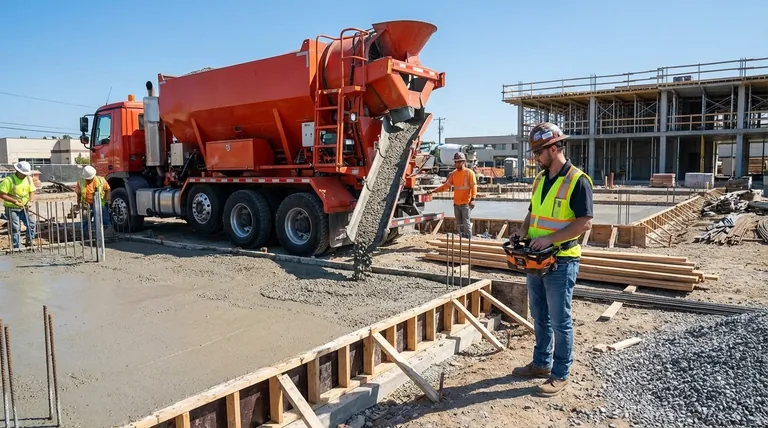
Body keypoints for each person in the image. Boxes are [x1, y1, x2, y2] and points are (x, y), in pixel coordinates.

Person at [511, 122, 593, 397]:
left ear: (555, 147)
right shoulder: (540, 179)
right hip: (536, 260)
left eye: (538, 152)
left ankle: (560, 374)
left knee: (560, 320)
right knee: (539, 315)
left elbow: (584, 223)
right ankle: (541, 363)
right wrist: (522, 232)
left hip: (561, 260)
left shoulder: (578, 180)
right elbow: (533, 213)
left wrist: (549, 239)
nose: (535, 158)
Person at [428, 152, 477, 238]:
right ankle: (462, 239)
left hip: (466, 203)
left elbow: (474, 187)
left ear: (463, 162)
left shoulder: (469, 173)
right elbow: (446, 186)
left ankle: (469, 240)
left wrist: (473, 199)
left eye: (458, 162)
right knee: (459, 224)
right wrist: (434, 191)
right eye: (455, 162)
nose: (456, 164)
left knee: (466, 223)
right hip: (456, 203)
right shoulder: (454, 174)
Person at [0, 161, 37, 249]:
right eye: (23, 173)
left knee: (31, 224)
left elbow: (32, 191)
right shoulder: (8, 180)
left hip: (25, 207)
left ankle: (29, 243)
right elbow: (2, 194)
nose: (24, 175)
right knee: (15, 227)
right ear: (18, 171)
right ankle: (17, 247)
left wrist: (31, 201)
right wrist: (14, 201)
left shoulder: (28, 179)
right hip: (12, 208)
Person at [75, 165, 115, 237]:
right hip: (86, 205)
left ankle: (106, 236)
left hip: (100, 205)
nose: (88, 180)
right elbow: (78, 194)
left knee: (104, 221)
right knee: (85, 223)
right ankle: (86, 237)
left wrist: (108, 199)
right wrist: (78, 205)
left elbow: (108, 189)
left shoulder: (101, 180)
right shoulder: (81, 182)